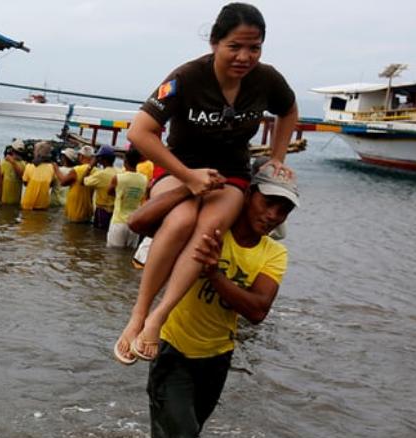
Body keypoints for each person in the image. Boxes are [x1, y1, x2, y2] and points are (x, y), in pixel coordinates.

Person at [116, 2, 298, 361]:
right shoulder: (187, 77)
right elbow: (140, 132)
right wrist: (188, 177)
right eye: (235, 46)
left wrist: (278, 158)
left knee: (208, 229)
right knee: (181, 219)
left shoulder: (267, 79)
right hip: (180, 165)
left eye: (254, 48)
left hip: (231, 171)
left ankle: (159, 316)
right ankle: (137, 314)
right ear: (215, 42)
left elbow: (288, 110)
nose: (245, 57)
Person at [127, 164, 299, 438]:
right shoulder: (207, 228)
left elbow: (258, 310)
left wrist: (214, 275)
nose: (273, 215)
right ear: (247, 195)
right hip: (173, 349)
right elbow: (138, 222)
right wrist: (188, 186)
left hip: (217, 358)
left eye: (283, 210)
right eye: (268, 203)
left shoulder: (274, 253)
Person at [106, 150, 148, 247]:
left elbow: (109, 192)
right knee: (128, 255)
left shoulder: (118, 178)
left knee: (113, 255)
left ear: (125, 161)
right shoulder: (144, 179)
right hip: (134, 223)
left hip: (118, 222)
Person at [53, 145, 94, 223]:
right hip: (87, 209)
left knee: (70, 231)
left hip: (75, 209)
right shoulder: (95, 170)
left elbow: (63, 182)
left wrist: (56, 169)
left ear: (81, 156)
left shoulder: (77, 170)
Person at [84, 145, 119, 230]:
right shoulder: (120, 171)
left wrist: (90, 167)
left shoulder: (100, 174)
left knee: (98, 234)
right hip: (115, 211)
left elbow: (84, 181)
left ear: (102, 159)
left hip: (102, 211)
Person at [19, 142, 56, 210]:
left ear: (37, 153)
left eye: (34, 150)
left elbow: (25, 182)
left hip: (28, 203)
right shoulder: (52, 167)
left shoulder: (29, 166)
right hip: (43, 204)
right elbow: (51, 184)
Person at [0, 139, 27, 206]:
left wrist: (12, 162)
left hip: (5, 200)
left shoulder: (5, 163)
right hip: (15, 200)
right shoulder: (24, 164)